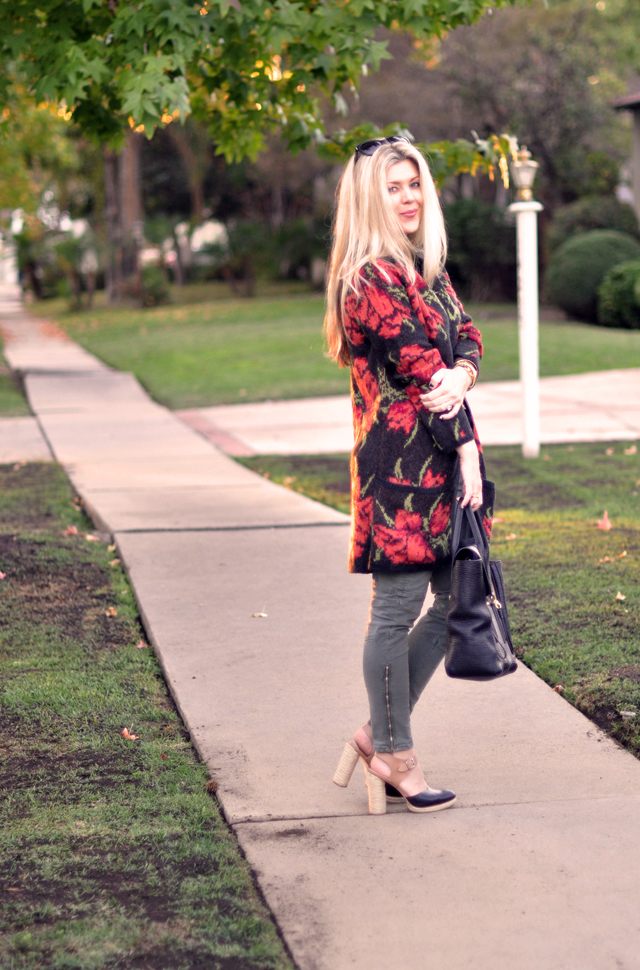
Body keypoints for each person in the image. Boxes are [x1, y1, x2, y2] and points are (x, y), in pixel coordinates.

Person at [325, 136, 492, 815]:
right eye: (393, 187)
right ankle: (396, 752)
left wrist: (466, 372)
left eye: (414, 183)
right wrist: (469, 449)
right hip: (400, 472)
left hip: (445, 458)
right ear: (371, 199)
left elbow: (468, 338)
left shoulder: (428, 271)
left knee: (459, 595)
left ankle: (376, 735)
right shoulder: (369, 280)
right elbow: (423, 377)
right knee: (396, 610)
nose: (410, 196)